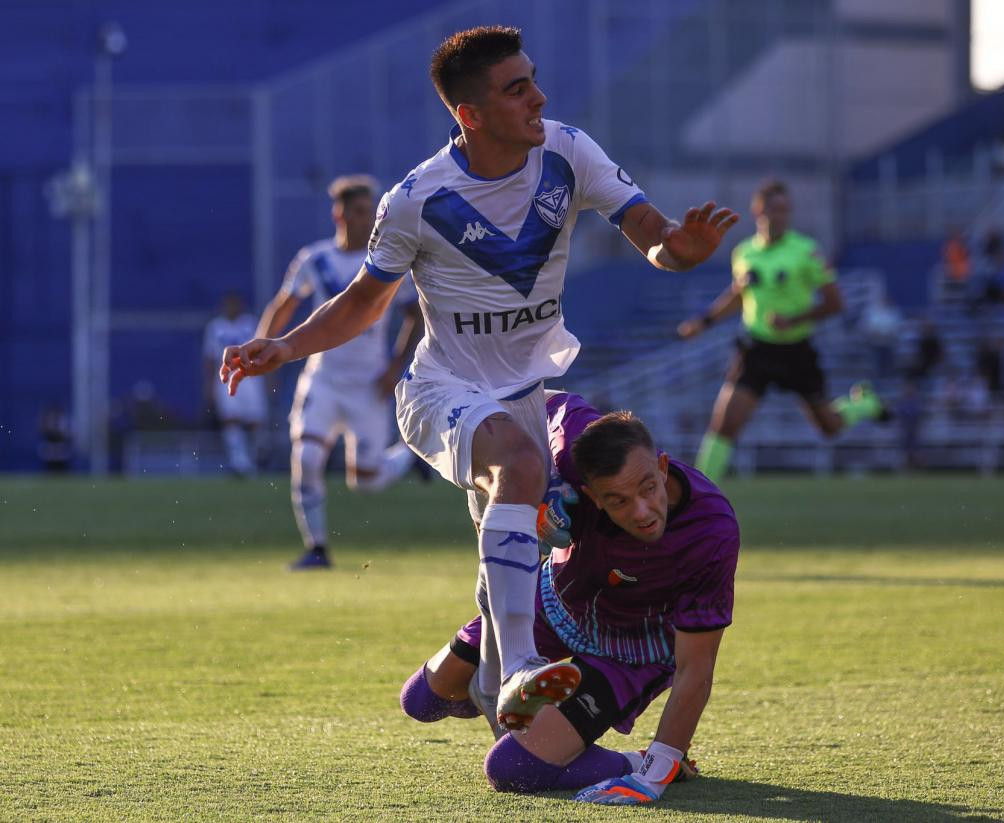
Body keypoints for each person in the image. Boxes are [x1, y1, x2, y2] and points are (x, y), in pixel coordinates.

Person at [221, 26, 739, 730]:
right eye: (517, 88)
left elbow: (653, 233)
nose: (539, 97)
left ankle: (477, 687)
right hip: (440, 391)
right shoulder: (416, 199)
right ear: (470, 113)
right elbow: (364, 304)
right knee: (523, 470)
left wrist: (680, 250)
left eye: (533, 79)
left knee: (512, 565)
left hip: (524, 395)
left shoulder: (569, 151)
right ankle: (522, 664)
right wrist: (282, 346)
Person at [398, 391, 738, 806]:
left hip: (630, 651)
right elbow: (538, 397)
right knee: (423, 701)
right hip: (553, 601)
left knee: (511, 770)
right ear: (593, 495)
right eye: (619, 501)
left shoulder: (711, 530)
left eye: (650, 488)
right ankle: (547, 712)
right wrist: (549, 480)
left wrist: (655, 775)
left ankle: (634, 761)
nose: (644, 511)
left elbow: (696, 668)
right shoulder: (575, 440)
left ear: (662, 466)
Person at [254, 175, 424, 570]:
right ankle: (317, 549)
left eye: (371, 211)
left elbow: (415, 317)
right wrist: (263, 345)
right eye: (360, 211)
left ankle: (410, 459)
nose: (368, 219)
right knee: (308, 456)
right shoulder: (315, 259)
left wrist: (396, 367)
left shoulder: (385, 261)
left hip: (368, 384)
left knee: (366, 482)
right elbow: (284, 304)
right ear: (339, 213)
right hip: (324, 380)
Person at [677, 179, 887, 483]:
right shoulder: (744, 253)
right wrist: (705, 321)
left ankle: (864, 404)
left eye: (786, 210)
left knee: (828, 426)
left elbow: (834, 303)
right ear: (757, 211)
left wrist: (795, 320)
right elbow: (739, 294)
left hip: (796, 350)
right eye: (775, 209)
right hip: (756, 349)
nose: (781, 216)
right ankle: (699, 499)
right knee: (723, 426)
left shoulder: (806, 251)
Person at [203, 292, 267, 477]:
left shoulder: (251, 324)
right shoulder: (215, 327)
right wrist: (208, 386)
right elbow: (209, 358)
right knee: (231, 419)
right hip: (226, 376)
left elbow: (263, 350)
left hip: (251, 376)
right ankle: (239, 462)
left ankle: (257, 460)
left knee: (255, 421)